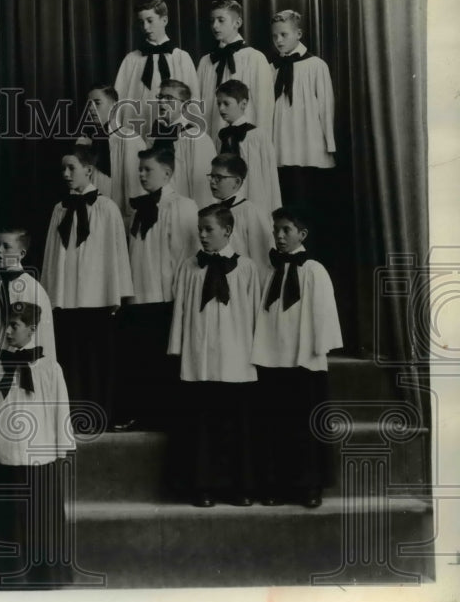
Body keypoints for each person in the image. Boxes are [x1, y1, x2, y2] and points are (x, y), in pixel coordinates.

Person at [168, 204, 261, 507]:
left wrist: (256, 354)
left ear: (228, 231)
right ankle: (203, 487)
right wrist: (179, 351)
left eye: (209, 229)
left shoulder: (246, 268)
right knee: (203, 426)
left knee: (235, 426)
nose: (203, 236)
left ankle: (240, 487)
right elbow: (180, 312)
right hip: (200, 360)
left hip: (236, 360)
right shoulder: (189, 267)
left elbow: (256, 317)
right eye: (200, 230)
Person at [0, 301, 75, 589]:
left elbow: (61, 407)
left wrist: (62, 447)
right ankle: (11, 574)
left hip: (40, 453)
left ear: (32, 329)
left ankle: (46, 576)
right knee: (9, 518)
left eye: (15, 326)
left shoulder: (48, 367)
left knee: (40, 517)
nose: (8, 331)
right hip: (6, 453)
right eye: (5, 325)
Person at [252, 206, 342, 508]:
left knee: (304, 425)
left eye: (285, 230)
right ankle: (276, 484)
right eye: (276, 229)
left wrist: (316, 351)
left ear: (302, 234)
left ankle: (309, 486)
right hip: (272, 358)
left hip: (303, 360)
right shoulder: (271, 271)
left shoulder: (314, 270)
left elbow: (325, 314)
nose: (278, 236)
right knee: (275, 423)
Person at [41, 143, 132, 425]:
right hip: (66, 299)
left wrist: (117, 294)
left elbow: (117, 254)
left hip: (98, 299)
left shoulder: (106, 208)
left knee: (96, 360)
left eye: (72, 168)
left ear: (89, 170)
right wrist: (48, 294)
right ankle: (70, 416)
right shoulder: (60, 208)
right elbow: (51, 256)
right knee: (70, 359)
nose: (66, 174)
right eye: (63, 169)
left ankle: (100, 414)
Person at [117, 147, 199, 430]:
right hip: (138, 298)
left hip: (165, 298)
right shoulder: (140, 207)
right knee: (139, 361)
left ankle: (165, 418)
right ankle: (141, 415)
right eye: (139, 169)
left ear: (167, 172)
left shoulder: (183, 207)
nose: (141, 175)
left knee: (163, 362)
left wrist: (178, 300)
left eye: (147, 170)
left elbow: (185, 256)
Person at [269, 9, 336, 205]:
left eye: (283, 35)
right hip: (281, 137)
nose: (278, 41)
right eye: (274, 36)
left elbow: (326, 105)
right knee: (286, 192)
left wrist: (329, 142)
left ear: (298, 34)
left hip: (308, 139)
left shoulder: (316, 65)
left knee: (308, 192)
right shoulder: (272, 67)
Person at [114, 0, 200, 141]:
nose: (145, 27)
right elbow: (119, 99)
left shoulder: (181, 58)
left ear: (164, 20)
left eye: (150, 20)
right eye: (141, 22)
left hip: (175, 129)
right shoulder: (131, 60)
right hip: (138, 124)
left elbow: (193, 100)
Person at [0, 228, 57, 364]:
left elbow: (39, 337)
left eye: (6, 247)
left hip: (10, 366)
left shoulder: (32, 289)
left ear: (21, 254)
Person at [196, 0, 274, 143]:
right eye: (212, 21)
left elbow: (264, 107)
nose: (215, 26)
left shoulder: (255, 58)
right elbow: (198, 104)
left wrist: (260, 144)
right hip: (211, 138)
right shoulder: (206, 61)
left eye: (221, 20)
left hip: (244, 139)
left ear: (237, 23)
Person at [214, 79, 283, 215]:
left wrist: (274, 211)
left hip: (253, 196)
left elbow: (270, 176)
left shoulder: (258, 136)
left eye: (226, 103)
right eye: (219, 104)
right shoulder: (222, 136)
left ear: (243, 104)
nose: (221, 108)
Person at [79, 84, 144, 224]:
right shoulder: (86, 142)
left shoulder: (129, 139)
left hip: (120, 219)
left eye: (97, 103)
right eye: (89, 104)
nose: (91, 108)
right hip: (93, 216)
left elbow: (135, 189)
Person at [147, 79, 216, 209]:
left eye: (169, 98)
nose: (162, 102)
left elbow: (203, 190)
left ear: (184, 105)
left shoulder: (196, 139)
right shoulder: (153, 137)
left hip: (184, 213)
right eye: (160, 97)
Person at [207, 153, 273, 276]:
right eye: (211, 176)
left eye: (219, 177)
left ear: (236, 182)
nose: (212, 182)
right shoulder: (211, 211)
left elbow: (262, 262)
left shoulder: (250, 212)